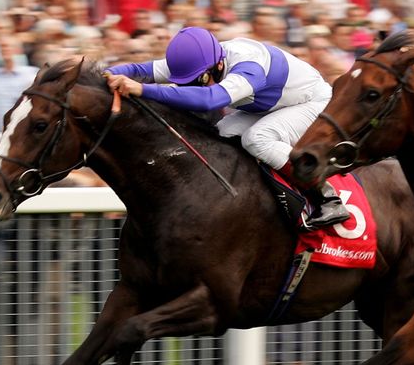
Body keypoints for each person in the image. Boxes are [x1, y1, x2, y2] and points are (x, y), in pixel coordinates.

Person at [104, 27, 349, 229]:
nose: (195, 85)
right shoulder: (197, 62)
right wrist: (104, 75)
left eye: (199, 81)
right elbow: (138, 70)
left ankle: (326, 196)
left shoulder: (248, 65)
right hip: (270, 106)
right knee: (218, 135)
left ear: (219, 65)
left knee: (257, 139)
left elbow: (209, 99)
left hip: (311, 103)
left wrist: (143, 90)